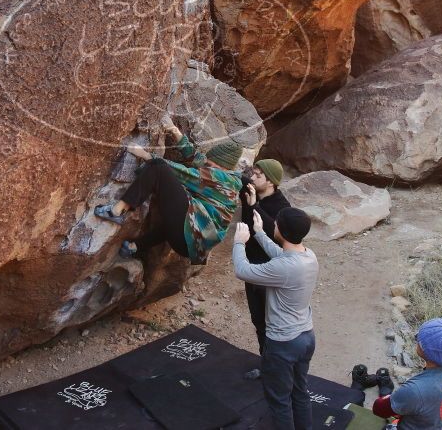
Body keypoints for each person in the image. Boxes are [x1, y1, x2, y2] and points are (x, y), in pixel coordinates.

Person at [95, 117, 242, 265]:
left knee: (158, 167)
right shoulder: (229, 179)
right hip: (190, 245)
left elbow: (184, 174)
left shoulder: (221, 178)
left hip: (188, 236)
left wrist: (146, 155)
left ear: (223, 168)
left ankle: (116, 211)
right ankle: (133, 247)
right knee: (174, 220)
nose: (206, 166)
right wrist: (174, 131)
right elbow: (199, 159)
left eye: (211, 165)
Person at [233, 208, 318, 430]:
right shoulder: (308, 255)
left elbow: (242, 270)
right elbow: (281, 255)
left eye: (276, 224)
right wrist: (260, 233)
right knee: (300, 392)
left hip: (283, 344)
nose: (274, 226)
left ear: (281, 230)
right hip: (306, 337)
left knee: (279, 401)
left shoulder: (284, 269)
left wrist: (239, 242)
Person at [240, 159, 291, 379]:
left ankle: (279, 369)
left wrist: (254, 207)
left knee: (273, 324)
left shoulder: (282, 207)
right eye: (253, 172)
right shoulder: (250, 193)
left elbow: (277, 235)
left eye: (258, 174)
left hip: (270, 272)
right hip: (252, 269)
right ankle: (267, 366)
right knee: (258, 320)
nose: (253, 177)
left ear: (270, 182)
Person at [372, 318, 442, 429]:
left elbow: (378, 409)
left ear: (424, 350)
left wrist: (394, 398)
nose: (417, 339)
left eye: (418, 338)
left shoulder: (415, 390)